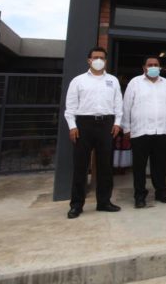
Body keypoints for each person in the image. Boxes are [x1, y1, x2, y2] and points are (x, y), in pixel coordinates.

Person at [64, 46, 123, 219]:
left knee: (105, 166)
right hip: (83, 125)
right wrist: (72, 126)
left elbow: (118, 104)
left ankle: (104, 202)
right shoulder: (78, 81)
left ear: (105, 61)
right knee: (80, 166)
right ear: (89, 60)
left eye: (102, 58)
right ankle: (76, 205)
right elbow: (70, 106)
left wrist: (117, 123)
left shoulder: (113, 80)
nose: (98, 60)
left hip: (106, 125)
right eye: (95, 57)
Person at [121, 56, 166, 208]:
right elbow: (126, 106)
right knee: (139, 167)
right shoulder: (135, 83)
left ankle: (161, 192)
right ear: (144, 67)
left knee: (160, 165)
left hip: (161, 130)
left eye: (156, 64)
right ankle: (139, 196)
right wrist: (127, 127)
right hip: (140, 131)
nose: (153, 67)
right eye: (150, 65)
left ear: (160, 67)